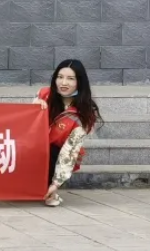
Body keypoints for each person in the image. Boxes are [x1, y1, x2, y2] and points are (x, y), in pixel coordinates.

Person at [34, 59, 102, 207]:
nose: (63, 83)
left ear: (79, 82)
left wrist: (56, 183)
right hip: (34, 147)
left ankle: (49, 188)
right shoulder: (44, 95)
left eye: (70, 78)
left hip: (56, 154)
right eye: (60, 77)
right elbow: (26, 127)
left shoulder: (84, 114)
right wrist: (34, 109)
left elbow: (69, 151)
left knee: (52, 152)